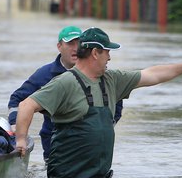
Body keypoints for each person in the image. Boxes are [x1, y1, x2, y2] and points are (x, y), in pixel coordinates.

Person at [14, 27, 182, 178]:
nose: (110, 57)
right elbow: (26, 105)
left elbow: (152, 75)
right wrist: (21, 139)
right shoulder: (64, 82)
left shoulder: (112, 79)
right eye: (107, 52)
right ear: (95, 53)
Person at [7, 25, 124, 160]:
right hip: (55, 147)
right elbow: (18, 99)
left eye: (78, 43)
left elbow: (116, 101)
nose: (75, 48)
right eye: (70, 43)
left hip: (90, 148)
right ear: (59, 46)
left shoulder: (100, 73)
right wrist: (16, 127)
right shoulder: (45, 75)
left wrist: (103, 129)